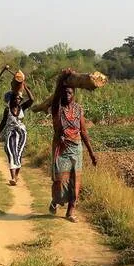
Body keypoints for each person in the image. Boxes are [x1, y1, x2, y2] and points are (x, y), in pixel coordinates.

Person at [49, 75, 97, 223]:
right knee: (60, 180)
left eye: (70, 92)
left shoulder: (78, 109)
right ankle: (55, 201)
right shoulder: (57, 108)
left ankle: (70, 211)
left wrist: (91, 152)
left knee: (75, 181)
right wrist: (61, 80)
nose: (67, 95)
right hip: (61, 147)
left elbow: (83, 131)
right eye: (65, 92)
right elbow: (56, 97)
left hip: (76, 147)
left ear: (74, 94)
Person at [0, 84, 34, 186]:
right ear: (12, 99)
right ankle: (13, 177)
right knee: (11, 152)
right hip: (10, 133)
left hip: (21, 133)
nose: (18, 100)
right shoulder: (7, 110)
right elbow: (3, 123)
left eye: (19, 99)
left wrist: (25, 86)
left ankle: (16, 177)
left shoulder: (22, 107)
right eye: (16, 98)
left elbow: (32, 100)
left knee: (18, 154)